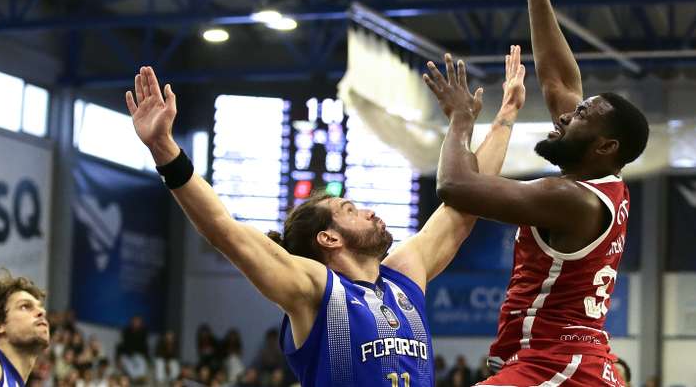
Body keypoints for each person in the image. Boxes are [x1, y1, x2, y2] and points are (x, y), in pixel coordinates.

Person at [125, 47, 527, 387]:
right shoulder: (315, 290)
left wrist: (507, 113)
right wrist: (164, 149)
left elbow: (467, 202)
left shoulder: (404, 274)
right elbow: (223, 230)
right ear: (328, 238)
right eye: (349, 210)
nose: (369, 211)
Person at [426, 0, 649, 387]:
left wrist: (462, 119)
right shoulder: (599, 179)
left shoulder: (570, 198)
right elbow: (559, 81)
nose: (567, 115)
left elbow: (455, 186)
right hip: (569, 361)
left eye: (581, 116)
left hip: (557, 365)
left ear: (605, 145)